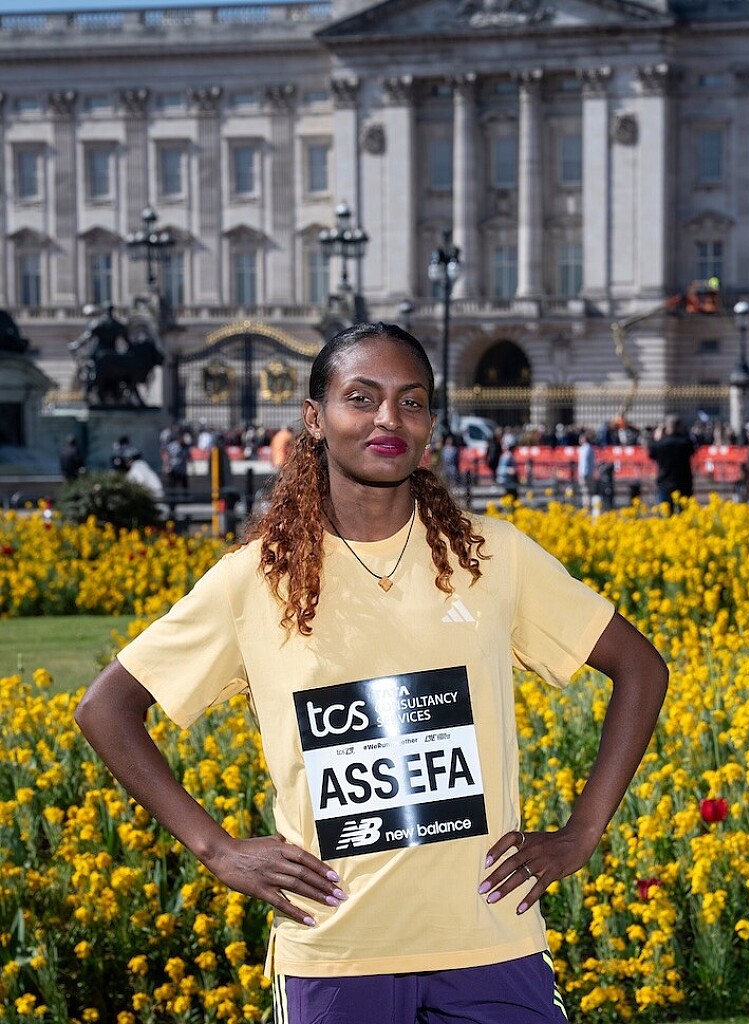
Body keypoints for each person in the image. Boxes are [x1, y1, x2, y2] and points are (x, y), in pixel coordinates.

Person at [74, 322, 668, 1024]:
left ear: (429, 426)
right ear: (314, 418)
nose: (389, 418)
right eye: (361, 397)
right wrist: (217, 850)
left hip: (490, 939)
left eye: (410, 401)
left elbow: (640, 668)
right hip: (335, 953)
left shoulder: (494, 556)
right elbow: (106, 708)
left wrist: (581, 834)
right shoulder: (252, 580)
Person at [647, 414, 695, 510]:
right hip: (684, 482)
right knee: (684, 512)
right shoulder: (685, 442)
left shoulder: (661, 443)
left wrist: (657, 437)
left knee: (666, 512)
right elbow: (692, 449)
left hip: (665, 482)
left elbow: (651, 453)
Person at [576, 430, 596, 509]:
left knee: (585, 490)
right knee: (587, 490)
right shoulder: (589, 448)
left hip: (585, 473)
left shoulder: (585, 448)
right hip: (589, 472)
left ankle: (586, 506)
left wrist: (583, 473)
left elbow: (584, 461)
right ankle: (588, 505)